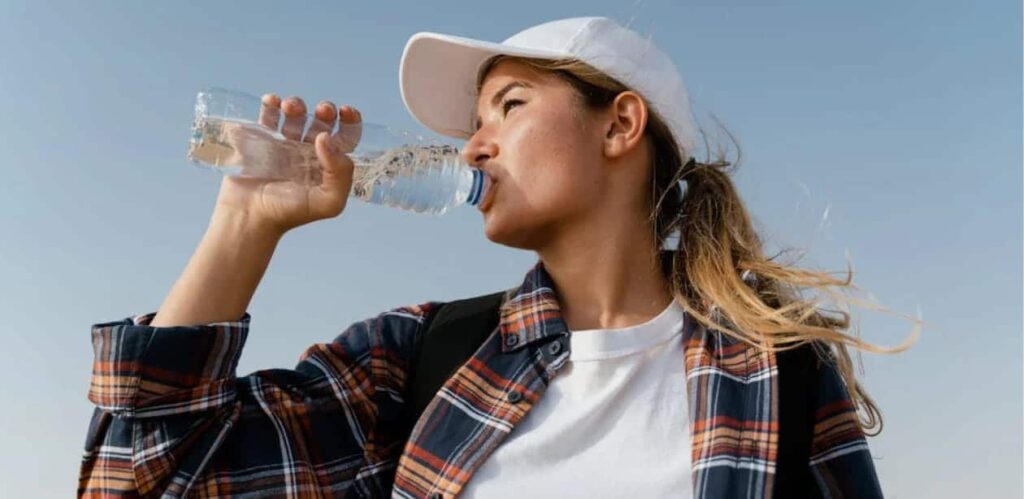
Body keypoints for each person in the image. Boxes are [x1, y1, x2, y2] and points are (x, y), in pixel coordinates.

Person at [79, 17, 898, 498]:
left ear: (619, 125)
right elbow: (139, 479)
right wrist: (244, 225)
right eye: (473, 122)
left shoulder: (780, 369)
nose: (472, 146)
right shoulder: (416, 357)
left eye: (509, 106)